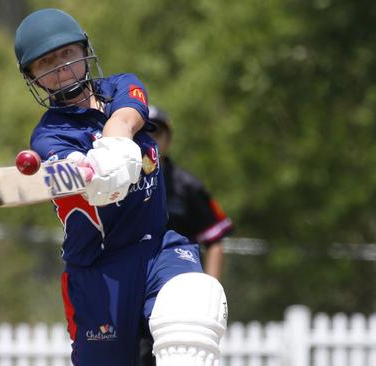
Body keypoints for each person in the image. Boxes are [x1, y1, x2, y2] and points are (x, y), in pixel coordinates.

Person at [14, 9, 227, 366]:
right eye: (46, 62)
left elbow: (127, 117)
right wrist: (96, 173)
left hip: (157, 247)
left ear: (84, 51)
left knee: (192, 305)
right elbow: (93, 190)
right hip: (99, 269)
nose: (60, 66)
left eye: (66, 53)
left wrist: (114, 147)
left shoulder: (121, 86)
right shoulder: (50, 136)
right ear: (34, 78)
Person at [140, 105, 234, 366]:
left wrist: (209, 291)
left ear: (168, 140)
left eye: (157, 133)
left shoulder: (187, 186)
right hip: (133, 281)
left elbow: (214, 239)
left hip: (179, 294)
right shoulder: (120, 182)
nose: (151, 139)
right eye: (144, 131)